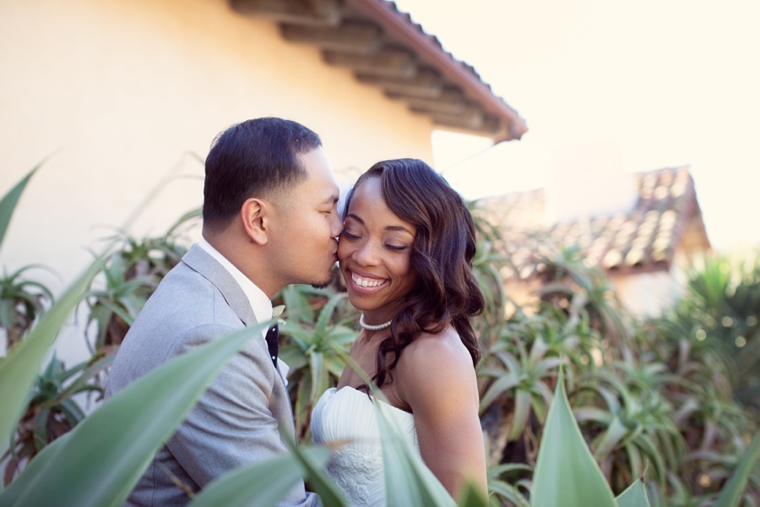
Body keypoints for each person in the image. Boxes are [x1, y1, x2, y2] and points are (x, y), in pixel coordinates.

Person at [106, 117, 342, 507]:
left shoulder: (195, 289)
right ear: (258, 221)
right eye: (326, 210)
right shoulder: (209, 338)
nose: (339, 228)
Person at [310, 159, 488, 506]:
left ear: (431, 255)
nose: (364, 256)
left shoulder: (433, 356)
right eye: (353, 232)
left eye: (393, 244)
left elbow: (463, 503)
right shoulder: (370, 333)